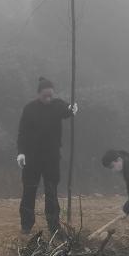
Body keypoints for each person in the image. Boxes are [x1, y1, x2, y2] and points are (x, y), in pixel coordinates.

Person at [16, 77, 77, 235]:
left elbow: (66, 111)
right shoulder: (29, 109)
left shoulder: (57, 105)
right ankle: (26, 225)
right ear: (38, 94)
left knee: (51, 192)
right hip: (32, 157)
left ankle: (54, 226)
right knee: (29, 191)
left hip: (51, 157)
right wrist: (21, 153)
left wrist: (72, 109)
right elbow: (22, 133)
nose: (48, 99)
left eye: (50, 95)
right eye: (45, 96)